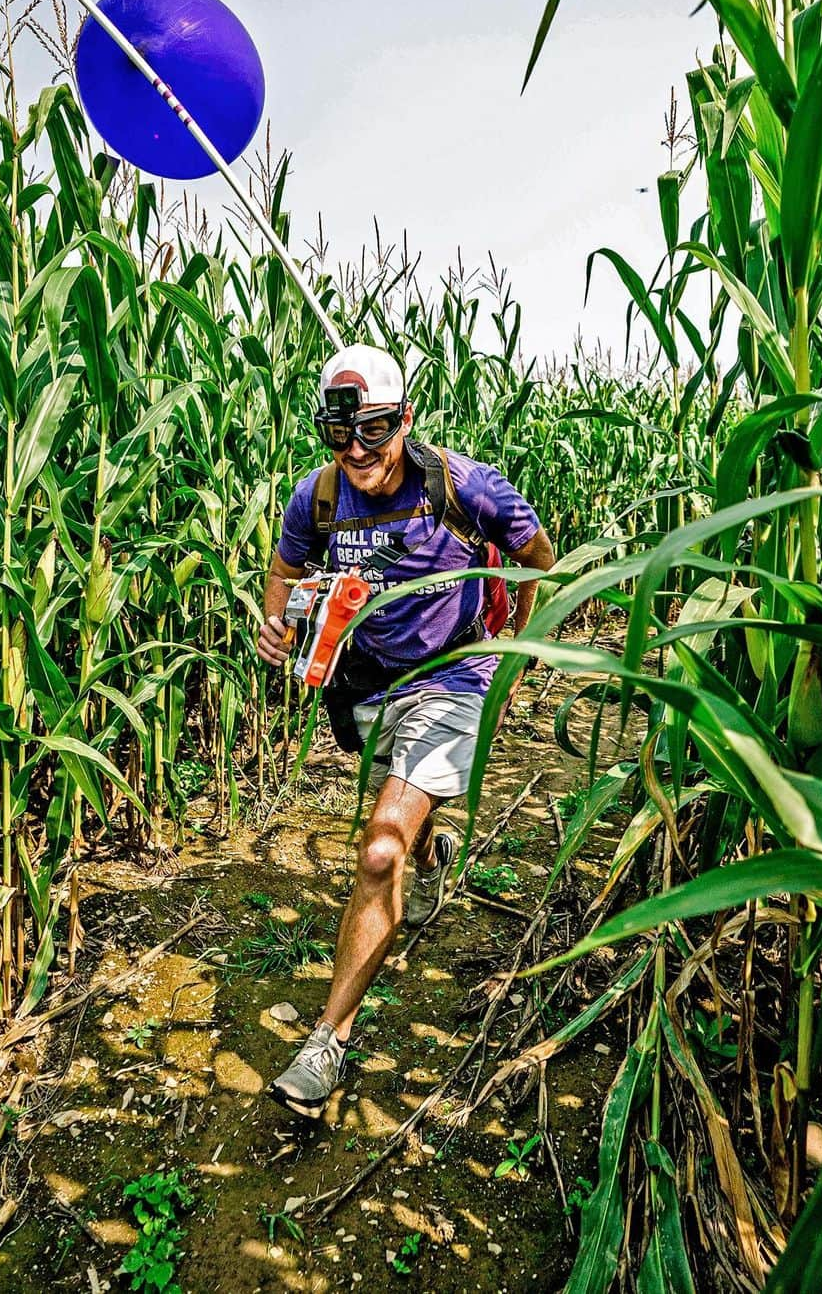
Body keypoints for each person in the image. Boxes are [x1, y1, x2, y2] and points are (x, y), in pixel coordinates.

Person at [256, 343, 555, 1118]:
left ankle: (327, 1042)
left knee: (381, 838)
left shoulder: (461, 486)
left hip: (455, 675)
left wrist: (514, 660)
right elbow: (285, 570)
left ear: (405, 420)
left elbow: (537, 560)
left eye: (376, 431)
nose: (357, 451)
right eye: (339, 433)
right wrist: (276, 623)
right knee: (405, 826)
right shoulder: (317, 497)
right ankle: (436, 852)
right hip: (366, 683)